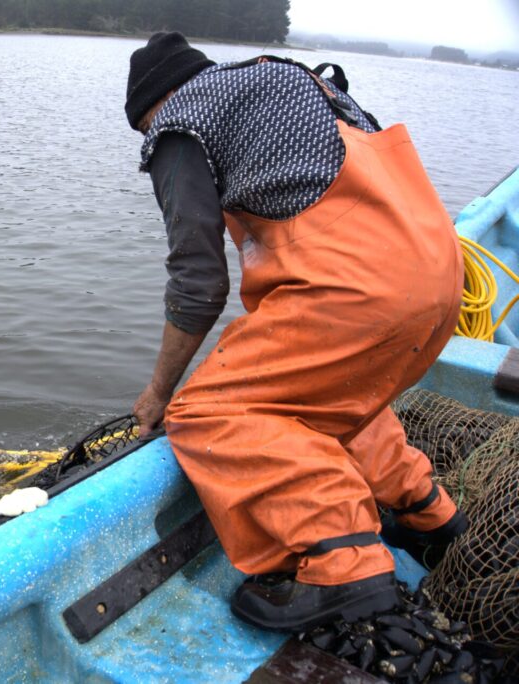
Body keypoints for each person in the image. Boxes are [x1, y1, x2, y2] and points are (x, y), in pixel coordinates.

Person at [124, 33, 469, 632]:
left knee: (209, 411)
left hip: (359, 287)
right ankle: (427, 514)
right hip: (438, 271)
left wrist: (157, 396)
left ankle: (344, 564)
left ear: (152, 108)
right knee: (330, 393)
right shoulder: (283, 82)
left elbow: (199, 283)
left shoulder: (178, 124)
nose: (154, 144)